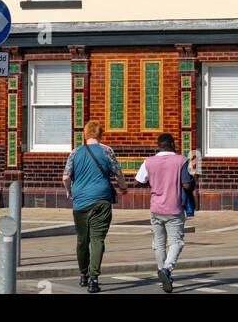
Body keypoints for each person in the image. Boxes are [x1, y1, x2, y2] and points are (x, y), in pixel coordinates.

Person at [63, 120, 127, 293]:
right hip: (101, 200)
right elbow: (117, 173)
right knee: (97, 239)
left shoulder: (75, 153)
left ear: (85, 134)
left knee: (82, 240)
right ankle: (93, 279)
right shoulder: (107, 151)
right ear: (100, 134)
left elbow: (66, 177)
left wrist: (69, 191)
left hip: (80, 202)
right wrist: (123, 188)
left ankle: (83, 275)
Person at [135, 132, 194, 294]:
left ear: (158, 145)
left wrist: (153, 183)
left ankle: (163, 273)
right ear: (173, 145)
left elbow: (138, 181)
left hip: (155, 208)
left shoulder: (149, 161)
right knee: (177, 242)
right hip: (174, 208)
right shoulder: (181, 160)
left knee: (158, 244)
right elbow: (187, 185)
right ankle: (167, 269)